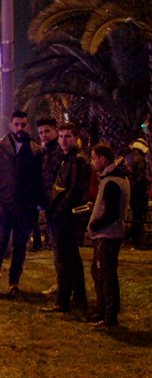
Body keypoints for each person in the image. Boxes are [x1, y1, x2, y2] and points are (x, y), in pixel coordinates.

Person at [0, 110, 45, 300]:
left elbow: (39, 180)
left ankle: (13, 283)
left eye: (23, 125)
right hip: (2, 207)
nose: (20, 128)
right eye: (17, 124)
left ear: (28, 126)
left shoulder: (35, 150)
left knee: (20, 247)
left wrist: (37, 204)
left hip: (24, 208)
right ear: (11, 126)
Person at [41, 123, 91, 314]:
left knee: (64, 258)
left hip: (66, 216)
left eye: (67, 136)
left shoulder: (77, 159)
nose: (63, 140)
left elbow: (74, 189)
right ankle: (78, 296)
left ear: (76, 137)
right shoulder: (68, 158)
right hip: (63, 213)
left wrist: (60, 209)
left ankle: (64, 301)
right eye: (61, 136)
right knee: (72, 257)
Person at [86, 143, 130, 328]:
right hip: (107, 234)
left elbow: (111, 212)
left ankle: (109, 315)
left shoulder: (112, 181)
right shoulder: (116, 178)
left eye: (94, 158)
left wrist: (94, 225)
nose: (92, 162)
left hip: (107, 235)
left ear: (102, 160)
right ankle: (103, 310)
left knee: (105, 274)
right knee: (100, 272)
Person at [32, 118, 61, 252]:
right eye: (41, 132)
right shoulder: (44, 153)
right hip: (49, 204)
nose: (44, 135)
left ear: (56, 130)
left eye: (47, 131)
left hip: (58, 205)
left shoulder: (60, 152)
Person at [124, 138, 149, 246]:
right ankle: (134, 237)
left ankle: (130, 236)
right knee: (138, 215)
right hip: (138, 191)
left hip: (130, 189)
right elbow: (141, 177)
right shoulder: (140, 159)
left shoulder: (128, 157)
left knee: (134, 215)